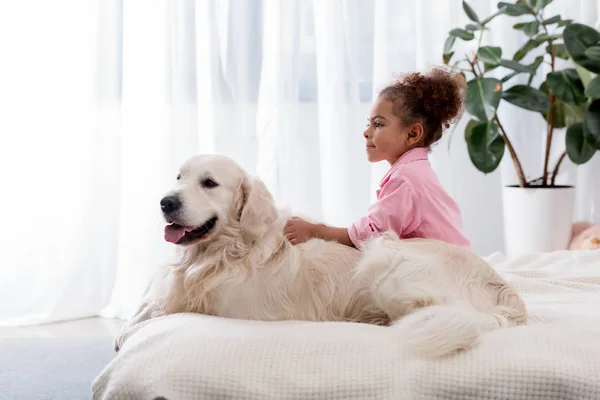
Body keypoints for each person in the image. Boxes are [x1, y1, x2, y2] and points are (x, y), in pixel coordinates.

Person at [284, 66, 470, 249]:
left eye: (378, 124)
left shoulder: (405, 179)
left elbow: (371, 234)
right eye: (369, 124)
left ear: (412, 134)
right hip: (455, 262)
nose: (366, 132)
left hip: (444, 270)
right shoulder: (417, 172)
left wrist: (316, 230)